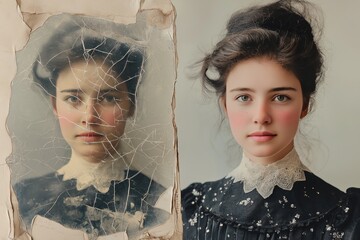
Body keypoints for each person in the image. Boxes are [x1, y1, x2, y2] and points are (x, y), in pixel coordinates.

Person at [181, 0, 360, 239]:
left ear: (304, 104)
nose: (261, 117)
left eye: (280, 97)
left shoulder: (348, 217)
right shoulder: (190, 210)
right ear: (225, 104)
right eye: (244, 97)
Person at [13, 17, 169, 239]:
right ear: (55, 104)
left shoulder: (159, 200)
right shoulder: (22, 197)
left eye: (108, 98)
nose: (89, 117)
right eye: (73, 99)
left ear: (131, 105)